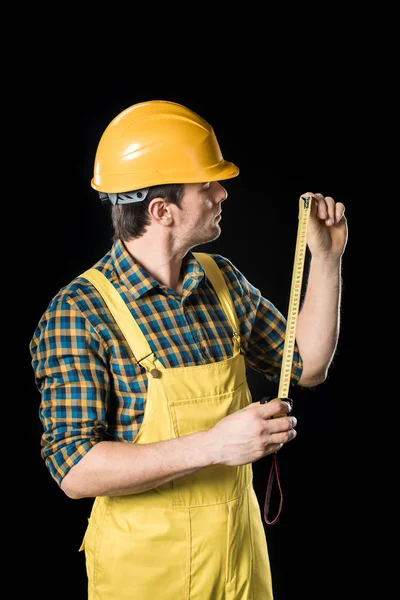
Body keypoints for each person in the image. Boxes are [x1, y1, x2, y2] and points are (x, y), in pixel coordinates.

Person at [29, 99, 348, 600]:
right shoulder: (80, 313)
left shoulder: (223, 281)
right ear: (161, 210)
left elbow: (306, 366)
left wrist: (326, 260)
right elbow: (74, 468)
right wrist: (215, 446)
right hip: (147, 581)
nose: (223, 192)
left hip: (240, 568)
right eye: (207, 186)